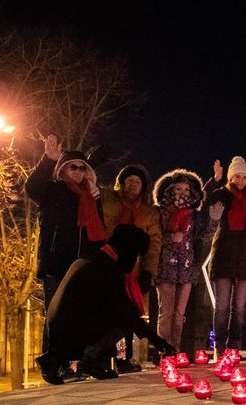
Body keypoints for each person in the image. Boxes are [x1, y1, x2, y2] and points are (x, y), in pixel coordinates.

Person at [36, 225, 176, 385]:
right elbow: (126, 311)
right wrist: (158, 341)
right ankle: (88, 360)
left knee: (121, 314)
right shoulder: (105, 269)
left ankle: (53, 359)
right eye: (137, 256)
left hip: (61, 328)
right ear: (128, 249)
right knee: (125, 320)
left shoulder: (94, 258)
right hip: (69, 328)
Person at [25, 134, 107, 379]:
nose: (79, 172)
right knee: (55, 315)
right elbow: (32, 187)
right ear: (62, 170)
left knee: (75, 315)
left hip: (81, 266)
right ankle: (53, 364)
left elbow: (98, 230)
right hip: (56, 263)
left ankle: (68, 362)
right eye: (73, 167)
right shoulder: (52, 191)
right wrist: (48, 160)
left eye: (83, 168)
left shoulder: (90, 197)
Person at [152, 167, 223, 352]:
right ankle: (164, 351)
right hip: (165, 268)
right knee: (165, 313)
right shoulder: (160, 212)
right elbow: (153, 236)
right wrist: (170, 238)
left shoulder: (194, 214)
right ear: (169, 189)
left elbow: (203, 237)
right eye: (178, 189)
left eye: (186, 189)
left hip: (186, 269)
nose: (182, 192)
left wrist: (214, 221)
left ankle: (174, 350)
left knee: (179, 314)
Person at [100, 164, 162, 371]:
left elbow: (155, 243)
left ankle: (123, 359)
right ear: (122, 183)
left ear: (143, 186)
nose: (133, 184)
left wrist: (149, 271)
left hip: (132, 269)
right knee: (106, 311)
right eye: (129, 180)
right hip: (108, 263)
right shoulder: (108, 200)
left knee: (128, 312)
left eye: (137, 181)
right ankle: (103, 357)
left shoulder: (149, 213)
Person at [202, 156, 246, 353]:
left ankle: (234, 348)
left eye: (244, 177)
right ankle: (220, 348)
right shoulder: (222, 195)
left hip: (245, 260)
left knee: (239, 308)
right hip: (223, 258)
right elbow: (204, 200)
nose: (241, 181)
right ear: (231, 177)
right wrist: (215, 180)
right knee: (222, 307)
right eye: (237, 176)